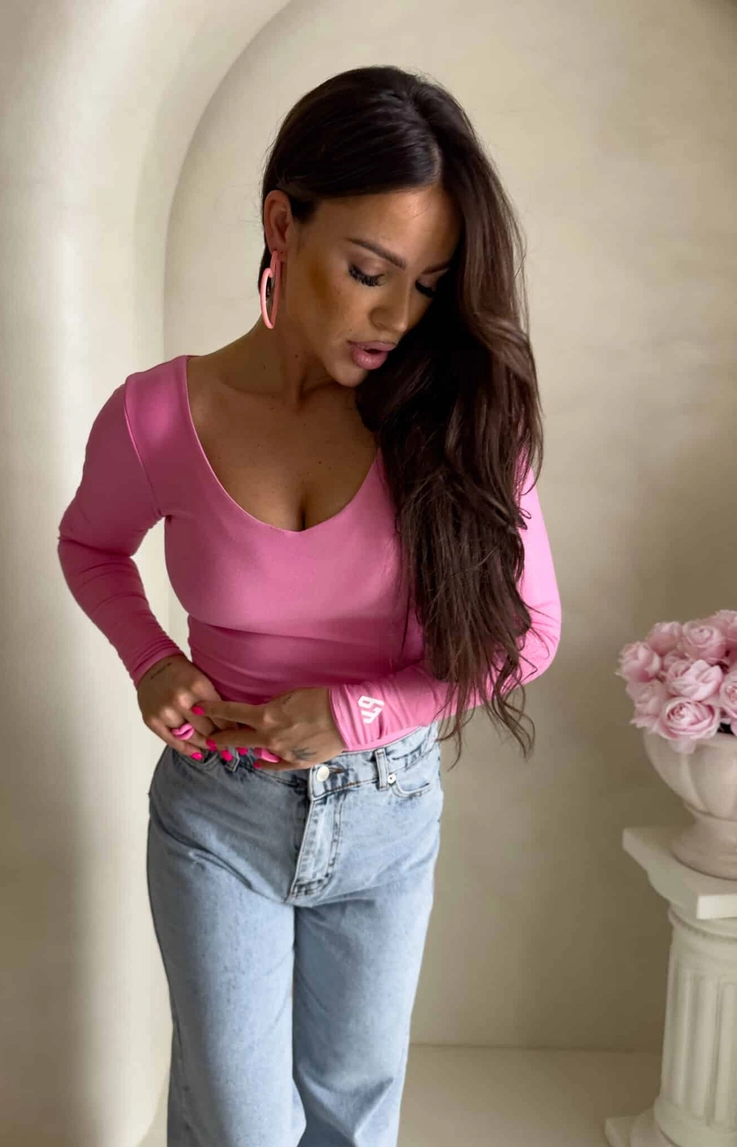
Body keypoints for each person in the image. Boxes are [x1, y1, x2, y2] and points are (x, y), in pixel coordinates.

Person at [57, 64, 561, 1147]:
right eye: (368, 271)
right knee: (238, 1124)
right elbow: (90, 545)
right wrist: (150, 657)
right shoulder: (157, 417)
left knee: (352, 1114)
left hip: (387, 810)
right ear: (282, 225)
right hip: (217, 814)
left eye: (427, 284)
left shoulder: (461, 415)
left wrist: (359, 712)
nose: (396, 317)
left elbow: (529, 637)